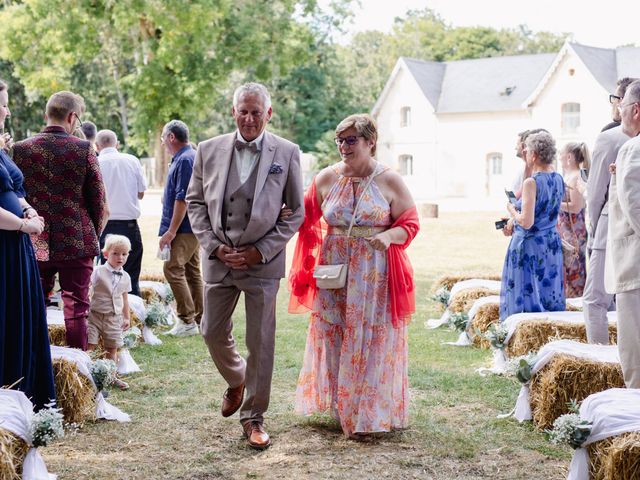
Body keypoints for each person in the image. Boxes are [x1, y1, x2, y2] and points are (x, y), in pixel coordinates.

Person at [186, 82, 304, 449]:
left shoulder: (287, 152)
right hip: (218, 260)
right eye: (243, 110)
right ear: (233, 111)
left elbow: (295, 212)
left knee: (261, 341)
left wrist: (261, 250)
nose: (249, 118)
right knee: (210, 330)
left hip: (261, 265)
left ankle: (254, 417)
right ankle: (238, 379)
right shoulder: (207, 149)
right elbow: (195, 203)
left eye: (256, 112)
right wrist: (215, 247)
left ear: (268, 114)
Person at [289, 113, 419, 438]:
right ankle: (341, 405)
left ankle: (370, 408)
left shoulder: (389, 180)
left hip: (374, 270)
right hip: (335, 270)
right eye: (340, 140)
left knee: (372, 337)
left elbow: (411, 222)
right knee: (334, 332)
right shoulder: (325, 178)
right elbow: (301, 218)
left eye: (351, 140)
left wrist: (389, 237)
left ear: (370, 141)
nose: (343, 147)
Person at [13, 91, 106, 350]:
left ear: (46, 115)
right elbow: (98, 200)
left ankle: (34, 368)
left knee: (33, 306)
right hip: (76, 239)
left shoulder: (20, 149)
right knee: (77, 307)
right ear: (73, 117)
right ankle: (79, 369)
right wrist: (94, 233)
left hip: (33, 240)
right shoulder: (85, 148)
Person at [0, 80, 56, 410]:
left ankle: (24, 396)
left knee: (21, 317)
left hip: (16, 247)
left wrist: (29, 209)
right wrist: (24, 224)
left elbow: (14, 191)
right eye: (3, 104)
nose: (7, 110)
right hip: (4, 247)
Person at [583, 78, 637, 344]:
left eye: (619, 101)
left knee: (595, 299)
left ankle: (600, 358)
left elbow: (595, 194)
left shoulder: (609, 138)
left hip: (610, 226)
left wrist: (594, 229)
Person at [500, 131, 565, 320]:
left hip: (530, 247)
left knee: (527, 294)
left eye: (526, 151)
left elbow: (527, 222)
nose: (525, 155)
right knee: (547, 292)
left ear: (534, 154)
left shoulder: (532, 183)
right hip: (551, 245)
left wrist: (511, 209)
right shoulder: (558, 179)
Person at [604, 79, 640, 388]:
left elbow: (634, 205)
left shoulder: (632, 148)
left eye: (623, 106)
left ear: (636, 111)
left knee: (634, 352)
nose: (620, 112)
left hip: (635, 263)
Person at [159, 119, 203, 336]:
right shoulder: (185, 157)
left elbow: (182, 199)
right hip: (190, 226)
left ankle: (187, 321)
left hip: (185, 227)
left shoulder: (186, 159)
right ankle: (201, 318)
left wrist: (171, 231)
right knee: (192, 271)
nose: (162, 144)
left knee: (172, 269)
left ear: (171, 137)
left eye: (162, 139)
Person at [96, 129, 147, 296]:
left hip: (105, 226)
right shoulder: (132, 160)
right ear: (117, 144)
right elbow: (141, 193)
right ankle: (131, 316)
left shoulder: (95, 162)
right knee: (131, 278)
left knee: (106, 278)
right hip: (129, 225)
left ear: (97, 146)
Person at [88, 234, 131, 390]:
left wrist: (126, 317)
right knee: (90, 345)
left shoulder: (125, 276)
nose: (120, 257)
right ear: (106, 254)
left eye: (124, 254)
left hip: (114, 318)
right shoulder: (98, 271)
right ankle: (87, 376)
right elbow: (88, 289)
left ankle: (110, 376)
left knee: (112, 348)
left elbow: (125, 298)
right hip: (95, 315)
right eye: (115, 253)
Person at [557, 142, 589, 298]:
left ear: (569, 157)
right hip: (566, 229)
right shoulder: (567, 175)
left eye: (561, 153)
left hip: (574, 232)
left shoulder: (577, 176)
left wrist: (554, 204)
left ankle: (577, 300)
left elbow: (576, 206)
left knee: (575, 269)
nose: (559, 157)